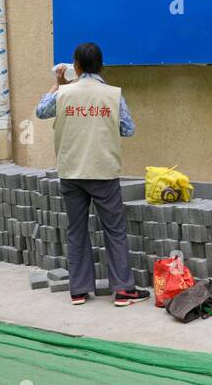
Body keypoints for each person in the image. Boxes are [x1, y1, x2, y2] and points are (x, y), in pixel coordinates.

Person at [35, 42, 150, 307]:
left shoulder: (63, 94)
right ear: (101, 66)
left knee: (77, 231)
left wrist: (57, 83)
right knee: (115, 231)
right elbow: (128, 129)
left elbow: (41, 111)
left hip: (71, 171)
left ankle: (78, 290)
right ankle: (123, 290)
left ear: (75, 66)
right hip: (103, 171)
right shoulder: (112, 94)